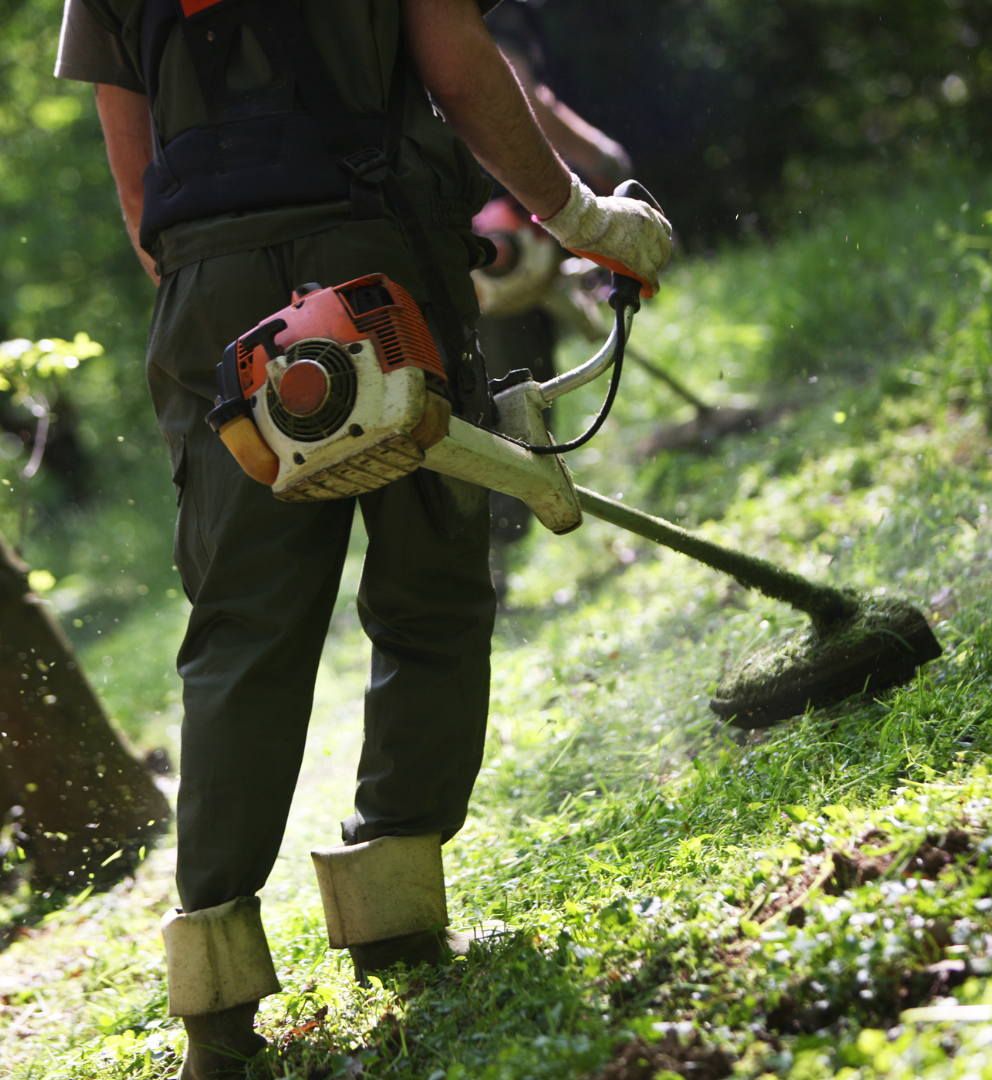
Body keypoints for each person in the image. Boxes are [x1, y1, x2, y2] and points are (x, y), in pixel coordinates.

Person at [56, 1, 670, 1076]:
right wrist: (581, 217)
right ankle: (394, 905)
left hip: (206, 282)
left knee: (242, 621)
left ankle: (214, 994)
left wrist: (221, 288)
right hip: (376, 239)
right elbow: (463, 72)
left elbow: (137, 180)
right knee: (430, 572)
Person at [475, 0, 633, 600]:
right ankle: (488, 564)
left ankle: (486, 559)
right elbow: (516, 93)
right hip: (500, 245)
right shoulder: (496, 11)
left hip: (466, 235)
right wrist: (597, 159)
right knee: (515, 394)